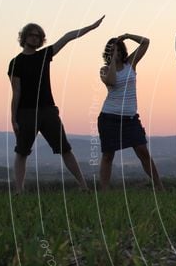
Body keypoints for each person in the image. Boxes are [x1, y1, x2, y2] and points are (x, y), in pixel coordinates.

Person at [8, 16, 104, 193]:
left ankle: (83, 187)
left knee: (65, 149)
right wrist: (13, 119)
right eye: (31, 35)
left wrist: (90, 27)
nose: (35, 38)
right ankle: (18, 191)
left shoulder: (44, 55)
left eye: (38, 35)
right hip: (26, 113)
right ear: (24, 38)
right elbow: (16, 92)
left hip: (48, 111)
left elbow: (67, 37)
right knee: (21, 152)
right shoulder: (16, 63)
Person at [98, 33, 164, 191]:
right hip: (109, 118)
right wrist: (112, 61)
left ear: (123, 51)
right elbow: (111, 81)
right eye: (113, 51)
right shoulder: (104, 69)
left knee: (142, 151)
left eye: (119, 50)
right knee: (108, 155)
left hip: (130, 118)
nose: (117, 53)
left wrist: (127, 36)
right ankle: (104, 191)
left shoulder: (131, 64)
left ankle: (159, 186)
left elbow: (146, 42)